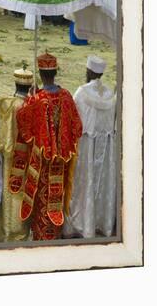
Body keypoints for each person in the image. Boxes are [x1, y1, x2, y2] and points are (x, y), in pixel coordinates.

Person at [9, 52, 83, 240]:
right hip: (62, 162)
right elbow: (77, 127)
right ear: (55, 72)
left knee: (42, 201)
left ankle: (42, 238)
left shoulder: (36, 100)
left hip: (42, 164)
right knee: (56, 199)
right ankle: (55, 235)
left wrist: (30, 97)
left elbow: (23, 121)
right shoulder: (66, 96)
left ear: (40, 74)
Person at [64, 55, 116, 238]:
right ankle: (103, 224)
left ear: (89, 71)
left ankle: (80, 225)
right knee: (101, 183)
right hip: (106, 148)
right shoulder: (111, 94)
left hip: (86, 146)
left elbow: (73, 120)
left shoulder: (81, 92)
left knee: (83, 182)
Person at [0, 65, 33, 242]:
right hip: (27, 158)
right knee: (22, 194)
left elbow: (1, 134)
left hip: (9, 157)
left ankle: (4, 230)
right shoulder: (32, 105)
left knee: (8, 193)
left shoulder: (5, 104)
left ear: (15, 84)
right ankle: (20, 230)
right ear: (29, 86)